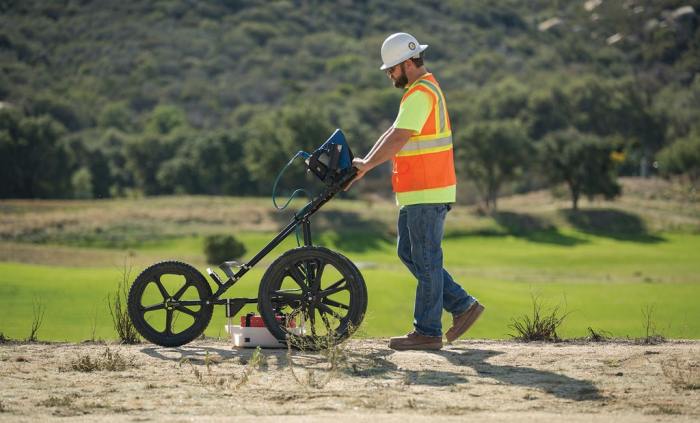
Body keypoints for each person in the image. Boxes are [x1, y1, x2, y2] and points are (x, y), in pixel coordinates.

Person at [347, 32, 484, 351]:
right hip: (419, 192)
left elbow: (399, 139)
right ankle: (463, 306)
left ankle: (427, 331)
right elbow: (393, 132)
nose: (389, 75)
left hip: (427, 190)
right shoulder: (417, 93)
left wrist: (367, 164)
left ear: (407, 63)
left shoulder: (421, 94)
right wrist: (365, 162)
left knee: (425, 258)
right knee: (410, 253)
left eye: (391, 70)